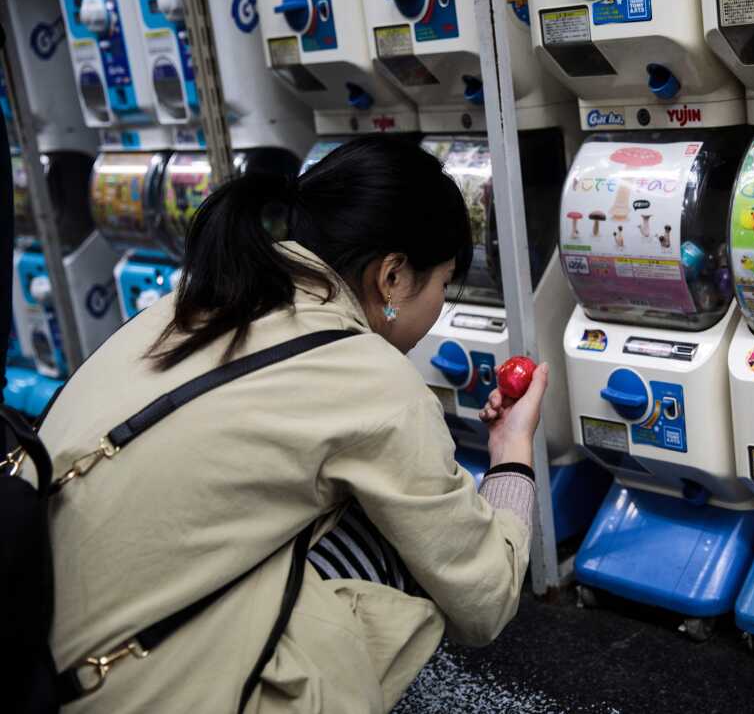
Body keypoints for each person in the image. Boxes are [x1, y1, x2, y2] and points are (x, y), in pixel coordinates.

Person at [39, 138, 546, 713]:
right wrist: (512, 454)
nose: (438, 309)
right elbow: (485, 597)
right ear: (393, 276)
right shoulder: (368, 376)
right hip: (142, 693)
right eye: (443, 283)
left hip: (42, 658)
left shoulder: (194, 299)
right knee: (399, 532)